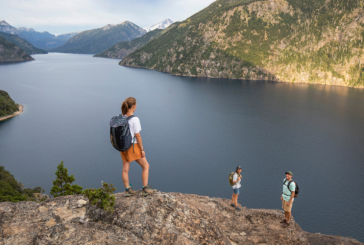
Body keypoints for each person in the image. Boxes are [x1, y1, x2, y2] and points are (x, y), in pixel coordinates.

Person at [120, 97, 153, 197]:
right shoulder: (135, 119)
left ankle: (127, 190)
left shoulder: (122, 117)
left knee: (125, 169)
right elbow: (137, 135)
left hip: (123, 147)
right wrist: (142, 149)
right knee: (146, 166)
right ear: (133, 106)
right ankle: (145, 189)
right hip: (133, 147)